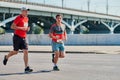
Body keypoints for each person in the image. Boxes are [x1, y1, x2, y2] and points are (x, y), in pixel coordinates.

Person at [3, 7, 33, 73]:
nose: (27, 12)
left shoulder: (26, 18)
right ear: (22, 11)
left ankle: (26, 67)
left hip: (24, 37)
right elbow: (12, 26)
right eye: (26, 11)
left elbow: (25, 28)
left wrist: (27, 29)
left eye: (27, 11)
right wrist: (22, 28)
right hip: (17, 37)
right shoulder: (18, 18)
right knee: (15, 52)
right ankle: (6, 57)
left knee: (26, 51)